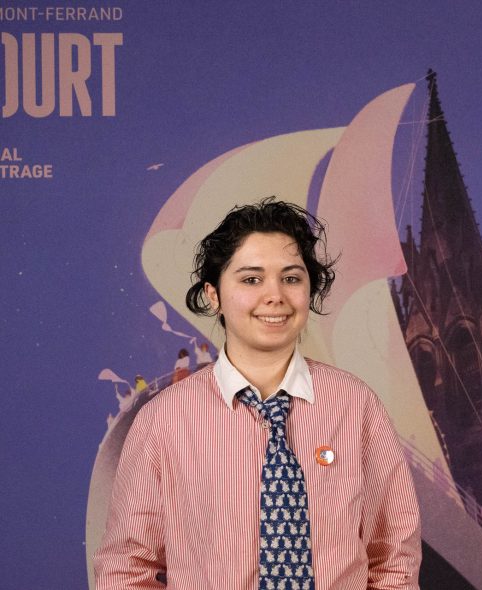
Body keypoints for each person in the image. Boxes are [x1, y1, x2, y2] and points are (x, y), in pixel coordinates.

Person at [94, 197, 421, 589]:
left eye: (292, 278)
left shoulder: (356, 406)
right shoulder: (164, 420)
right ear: (213, 294)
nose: (275, 296)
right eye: (251, 279)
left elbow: (394, 558)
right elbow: (126, 569)